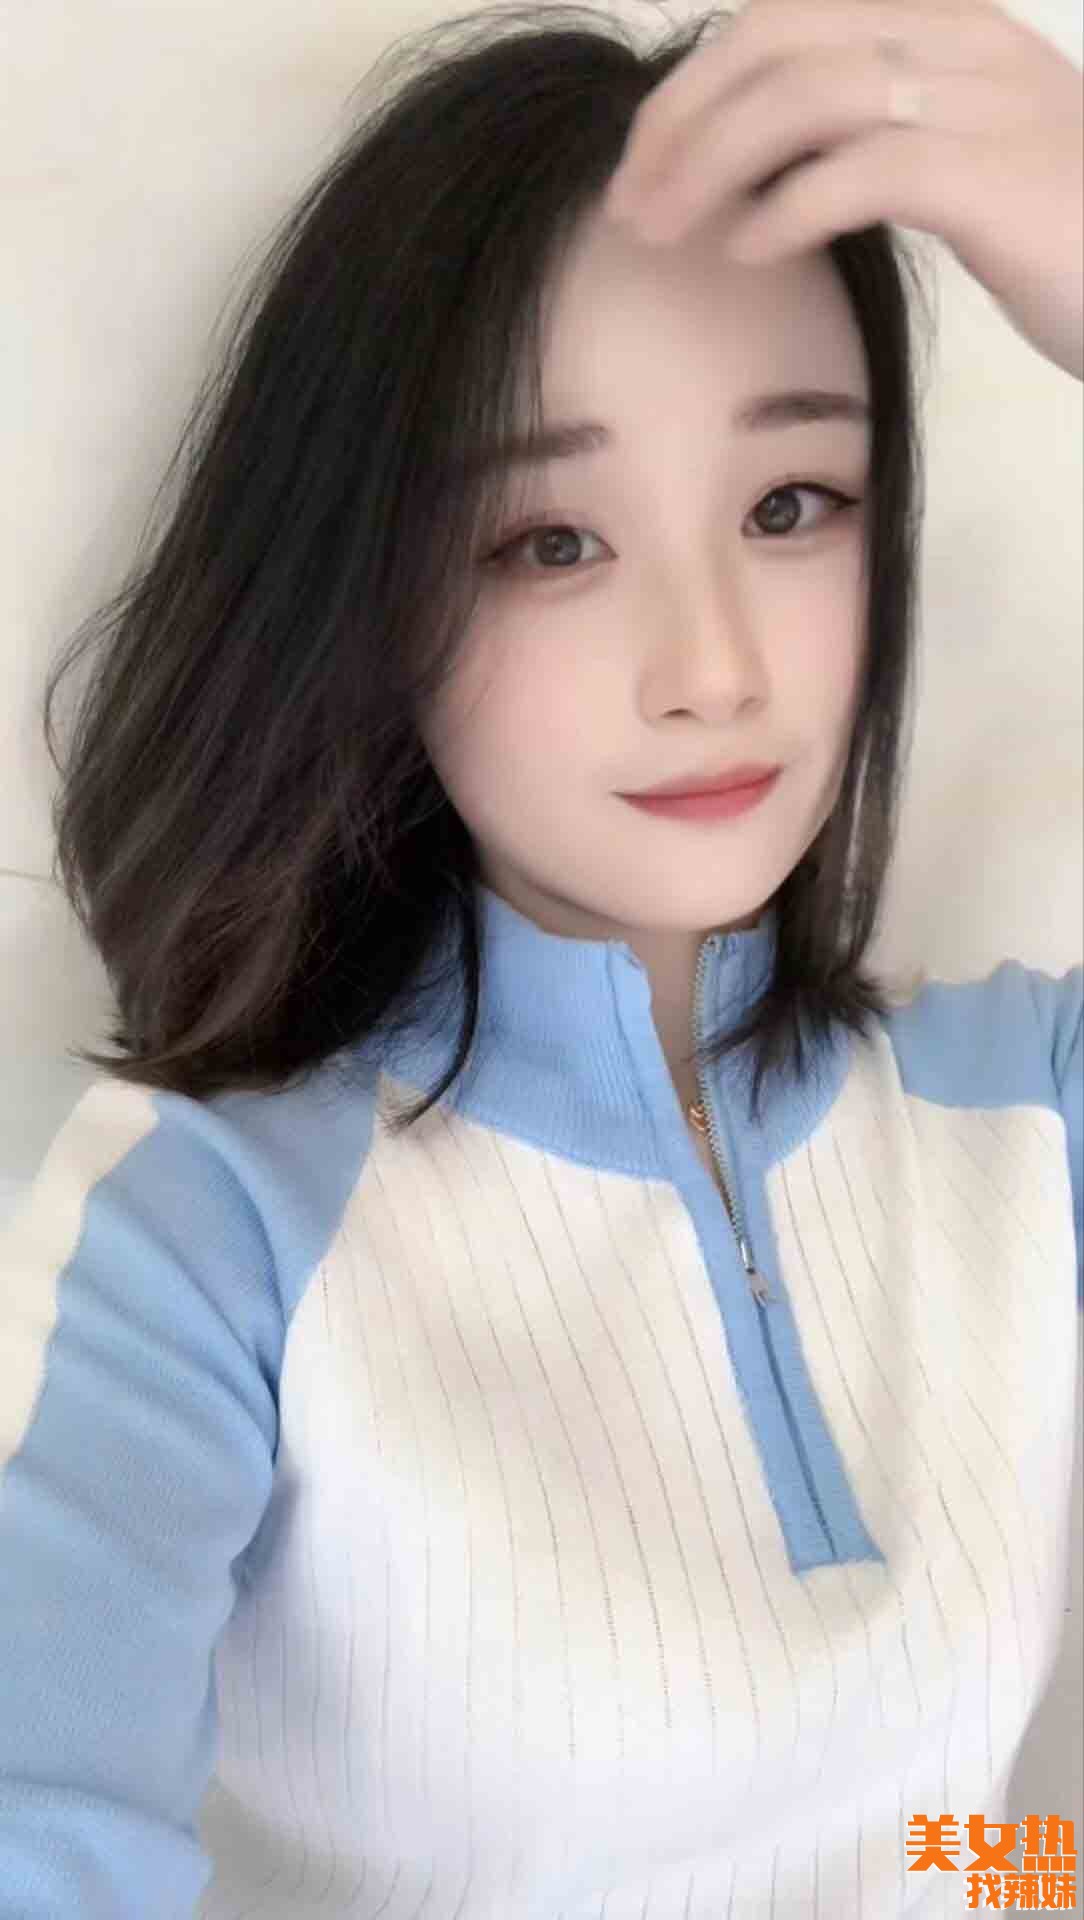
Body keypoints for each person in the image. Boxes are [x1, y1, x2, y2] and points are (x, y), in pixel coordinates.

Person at [2, 2, 1081, 1914]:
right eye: (551, 540)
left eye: (792, 504)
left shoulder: (1028, 1111)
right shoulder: (206, 1232)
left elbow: (977, 1853)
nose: (714, 667)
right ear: (369, 592)